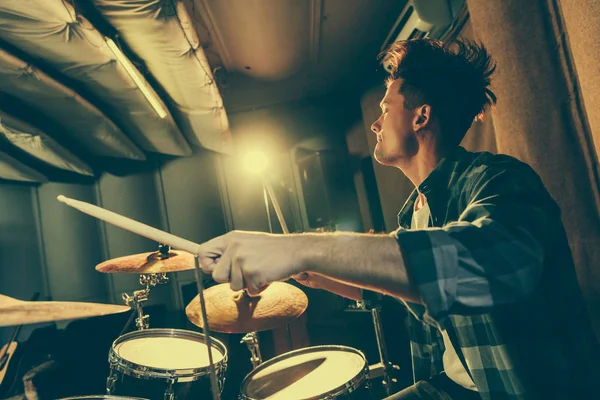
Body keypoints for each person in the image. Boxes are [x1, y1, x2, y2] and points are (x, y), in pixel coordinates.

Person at [197, 38, 600, 399]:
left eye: (385, 109)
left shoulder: (500, 179)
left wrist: (299, 248)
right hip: (450, 385)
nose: (375, 123)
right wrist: (310, 270)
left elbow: (485, 268)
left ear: (420, 117)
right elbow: (397, 292)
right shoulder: (415, 213)